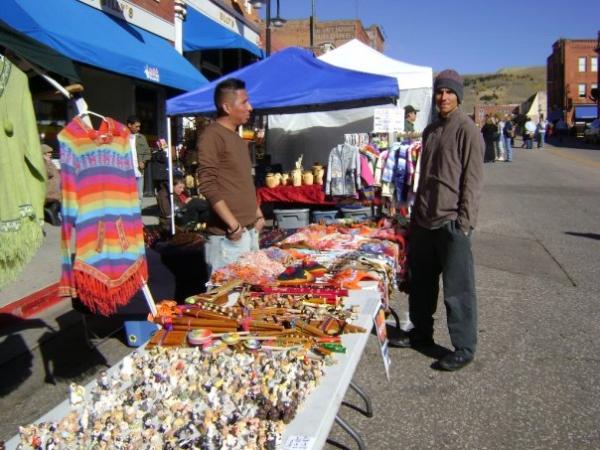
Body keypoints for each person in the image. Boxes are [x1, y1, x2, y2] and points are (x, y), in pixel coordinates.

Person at [388, 69, 484, 372]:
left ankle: (464, 347)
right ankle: (420, 333)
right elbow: (423, 178)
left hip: (450, 223)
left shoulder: (467, 129)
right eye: (440, 92)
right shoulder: (430, 131)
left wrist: (464, 223)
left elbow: (472, 180)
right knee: (422, 286)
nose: (443, 97)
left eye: (449, 92)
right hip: (424, 220)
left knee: (458, 290)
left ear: (459, 96)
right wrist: (414, 217)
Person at [197, 78, 265, 275]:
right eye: (244, 102)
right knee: (227, 300)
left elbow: (243, 181)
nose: (250, 107)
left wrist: (257, 212)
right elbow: (207, 185)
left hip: (249, 231)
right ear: (227, 107)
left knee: (249, 298)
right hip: (229, 238)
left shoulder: (236, 138)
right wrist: (233, 226)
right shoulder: (211, 136)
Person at [126, 115, 152, 203]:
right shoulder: (122, 138)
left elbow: (148, 152)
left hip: (139, 172)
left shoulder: (142, 138)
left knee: (139, 196)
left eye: (139, 126)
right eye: (136, 126)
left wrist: (143, 161)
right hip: (126, 172)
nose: (139, 128)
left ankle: (137, 216)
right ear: (129, 125)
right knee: (128, 196)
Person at [41, 144, 61, 225]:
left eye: (50, 152)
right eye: (48, 152)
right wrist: (48, 162)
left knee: (57, 206)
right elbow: (48, 173)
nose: (50, 154)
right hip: (51, 190)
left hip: (55, 188)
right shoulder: (44, 162)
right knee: (54, 205)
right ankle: (50, 215)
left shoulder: (49, 161)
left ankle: (50, 215)